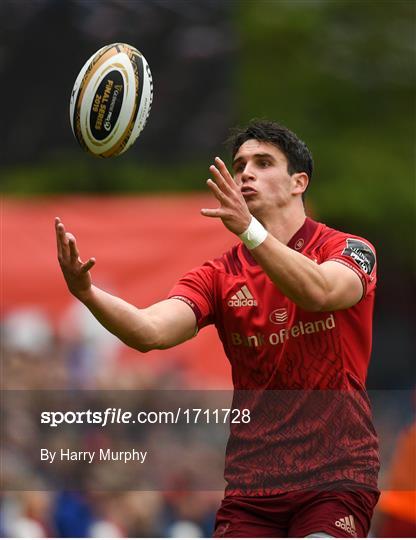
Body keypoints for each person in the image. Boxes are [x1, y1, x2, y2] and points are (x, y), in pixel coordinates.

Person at [55, 120, 380, 538]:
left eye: (263, 163)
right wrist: (88, 294)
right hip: (253, 484)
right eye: (240, 163)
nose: (246, 172)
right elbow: (149, 331)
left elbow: (319, 292)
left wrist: (250, 230)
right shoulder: (218, 276)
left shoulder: (348, 249)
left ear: (299, 182)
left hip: (336, 475)